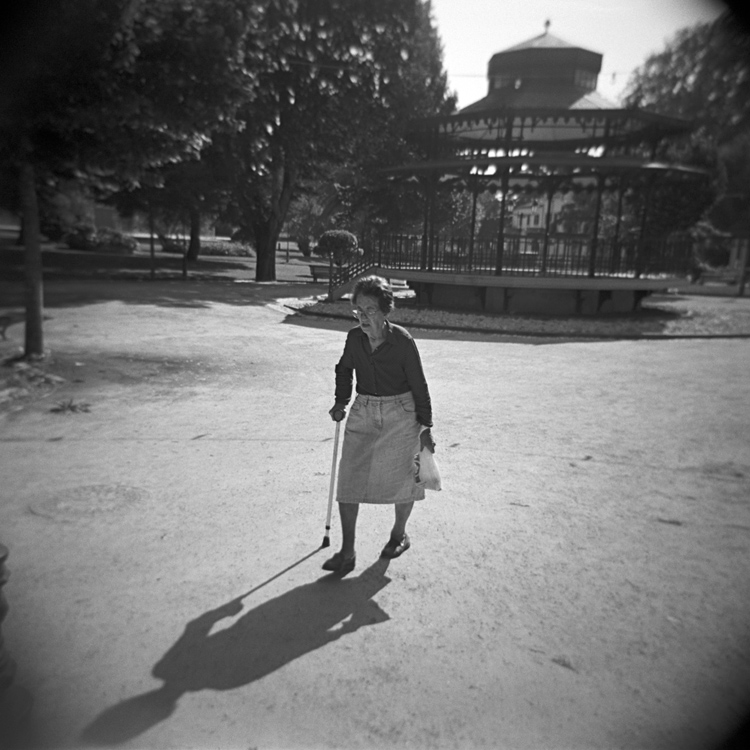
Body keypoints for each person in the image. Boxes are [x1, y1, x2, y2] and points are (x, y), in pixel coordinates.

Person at [324, 275, 436, 575]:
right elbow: (344, 369)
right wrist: (340, 401)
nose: (362, 317)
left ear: (385, 311)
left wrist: (426, 427)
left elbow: (419, 384)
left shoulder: (402, 341)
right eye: (358, 310)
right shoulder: (354, 338)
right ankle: (347, 552)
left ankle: (399, 535)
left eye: (370, 310)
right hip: (363, 410)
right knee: (349, 477)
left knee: (405, 478)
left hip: (401, 412)